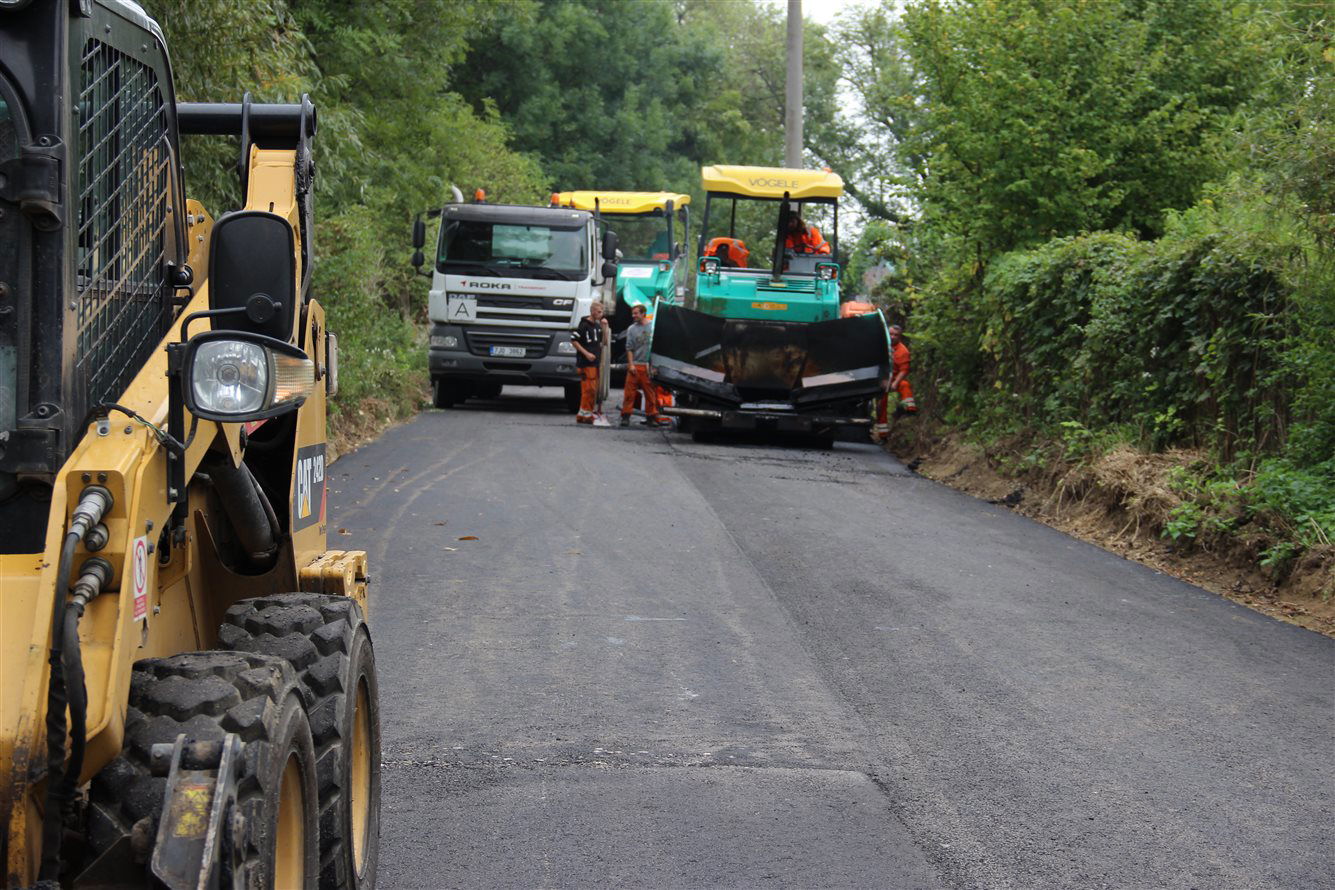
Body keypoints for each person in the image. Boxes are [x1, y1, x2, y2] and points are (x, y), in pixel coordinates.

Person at [620, 304, 668, 427]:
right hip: (635, 365)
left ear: (643, 313)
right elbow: (629, 348)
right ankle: (625, 416)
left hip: (648, 366)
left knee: (650, 393)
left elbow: (658, 348)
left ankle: (651, 416)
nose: (633, 316)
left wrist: (655, 366)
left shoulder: (653, 327)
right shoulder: (631, 329)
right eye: (633, 313)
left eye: (636, 313)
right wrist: (631, 365)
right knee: (629, 393)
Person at [873, 324, 916, 441]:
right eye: (890, 334)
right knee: (881, 406)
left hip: (894, 378)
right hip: (881, 379)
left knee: (905, 385)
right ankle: (883, 435)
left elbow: (904, 370)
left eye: (895, 335)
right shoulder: (880, 346)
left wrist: (895, 383)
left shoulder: (903, 351)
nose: (892, 337)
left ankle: (909, 410)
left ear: (900, 337)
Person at [571, 300, 609, 424]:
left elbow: (604, 343)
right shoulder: (584, 325)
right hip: (586, 363)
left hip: (595, 363)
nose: (601, 314)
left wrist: (604, 328)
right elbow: (574, 340)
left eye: (602, 312)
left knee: (591, 389)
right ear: (592, 311)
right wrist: (586, 354)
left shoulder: (598, 326)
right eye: (599, 312)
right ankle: (585, 413)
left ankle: (584, 413)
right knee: (589, 389)